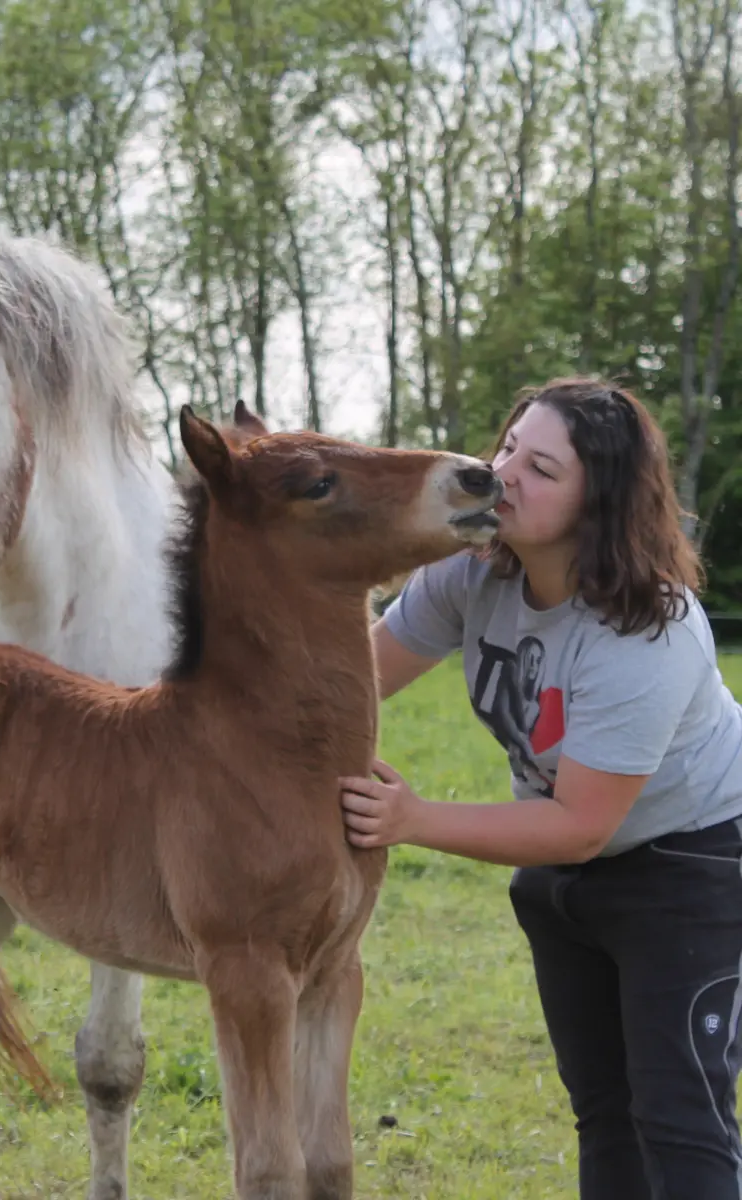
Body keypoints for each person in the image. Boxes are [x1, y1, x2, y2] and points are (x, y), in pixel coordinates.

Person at [339, 377, 742, 1199]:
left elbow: (580, 826)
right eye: (508, 447)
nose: (504, 473)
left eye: (542, 469)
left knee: (678, 1115)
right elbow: (352, 685)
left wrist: (413, 817)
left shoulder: (646, 633)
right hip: (568, 875)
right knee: (603, 1107)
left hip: (694, 867)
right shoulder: (474, 573)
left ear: (602, 505)